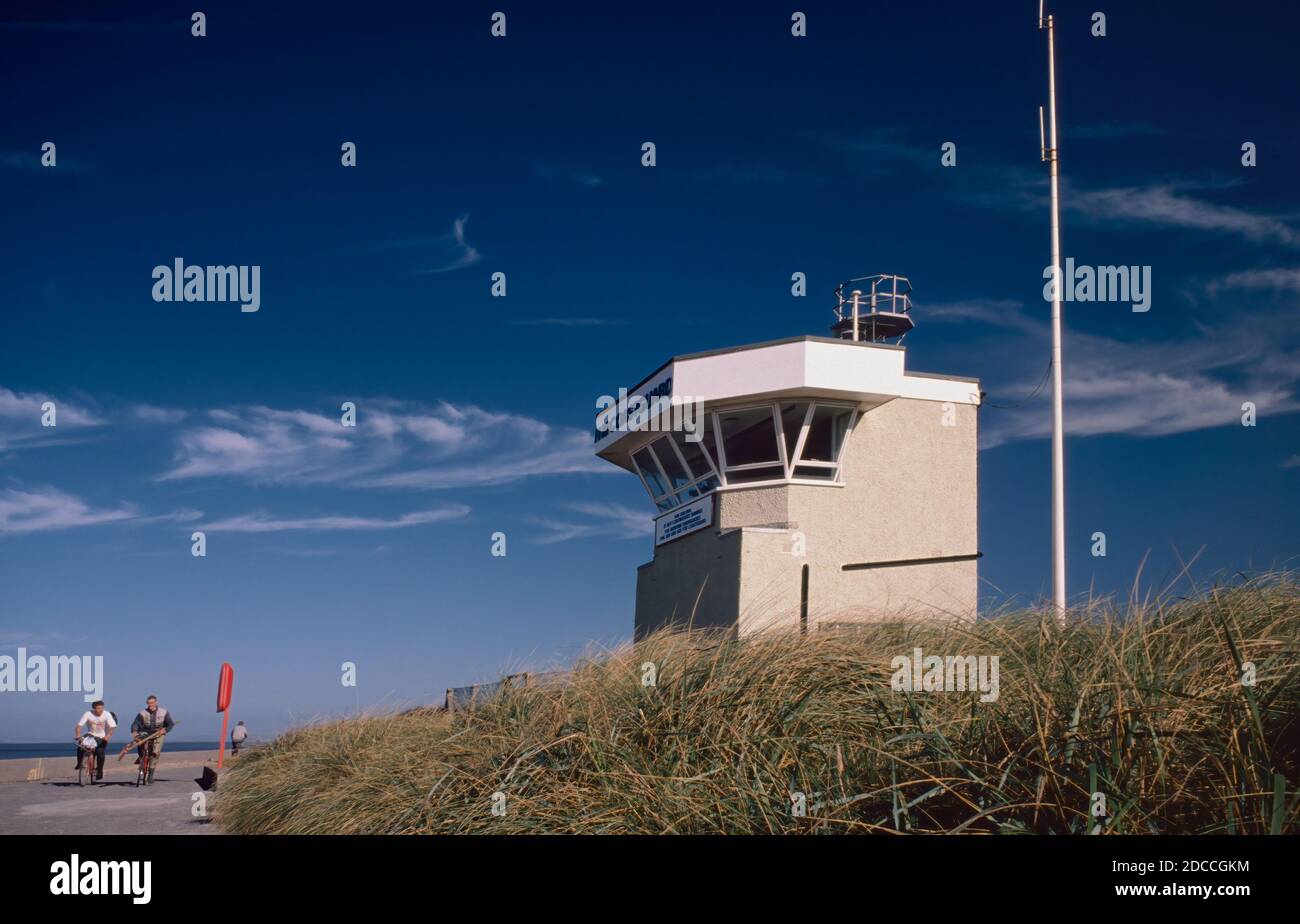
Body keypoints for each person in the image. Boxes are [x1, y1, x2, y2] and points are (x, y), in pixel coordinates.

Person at [130, 695, 175, 782]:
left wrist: (165, 730)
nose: (150, 705)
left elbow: (170, 724)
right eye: (149, 703)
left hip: (158, 734)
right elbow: (135, 723)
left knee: (155, 753)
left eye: (152, 703)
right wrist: (134, 731)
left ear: (156, 702)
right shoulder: (142, 713)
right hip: (145, 734)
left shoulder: (164, 712)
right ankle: (141, 759)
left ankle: (150, 775)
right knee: (140, 747)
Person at [74, 701, 116, 781]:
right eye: (98, 708)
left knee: (100, 753)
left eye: (102, 708)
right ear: (94, 709)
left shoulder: (106, 714)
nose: (100, 710)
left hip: (102, 737)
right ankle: (80, 764)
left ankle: (99, 770)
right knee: (80, 747)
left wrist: (108, 736)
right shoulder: (88, 714)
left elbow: (112, 727)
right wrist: (78, 735)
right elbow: (78, 726)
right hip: (90, 735)